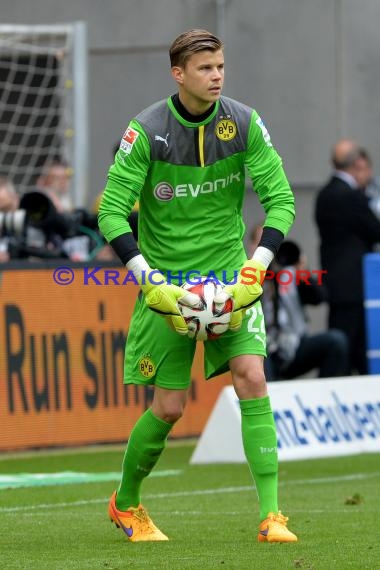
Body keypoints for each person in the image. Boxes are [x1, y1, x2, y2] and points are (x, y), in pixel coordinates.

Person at [98, 29, 297, 543]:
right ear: (178, 74)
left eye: (221, 67)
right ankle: (126, 503)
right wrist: (152, 284)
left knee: (252, 375)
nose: (216, 76)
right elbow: (111, 213)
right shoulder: (146, 131)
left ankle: (272, 515)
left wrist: (257, 266)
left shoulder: (245, 122)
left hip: (232, 279)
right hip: (169, 286)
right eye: (205, 68)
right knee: (168, 407)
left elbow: (281, 200)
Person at [315, 138, 380, 375]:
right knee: (352, 351)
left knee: (345, 348)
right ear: (357, 164)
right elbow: (375, 229)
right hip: (354, 287)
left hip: (336, 283)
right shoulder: (350, 196)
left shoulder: (324, 194)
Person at [264, 240, 350, 380]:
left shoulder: (291, 276)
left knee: (336, 340)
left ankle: (326, 396)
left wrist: (304, 273)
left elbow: (320, 297)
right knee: (259, 354)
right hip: (264, 348)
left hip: (295, 345)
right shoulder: (248, 276)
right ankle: (268, 399)